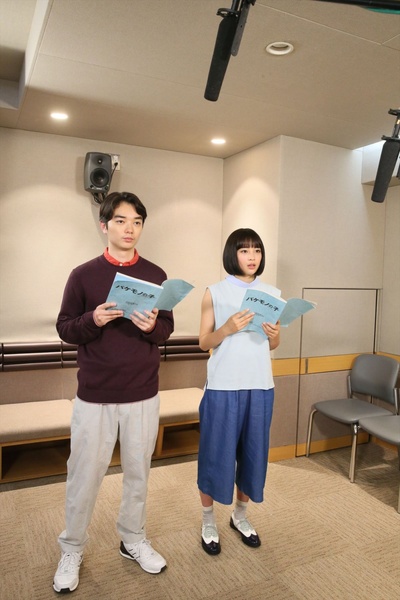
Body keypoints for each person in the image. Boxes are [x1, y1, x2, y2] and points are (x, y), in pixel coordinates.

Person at [53, 192, 174, 593]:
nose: (130, 229)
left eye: (137, 222)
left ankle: (133, 539)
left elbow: (166, 328)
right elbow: (65, 328)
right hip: (95, 394)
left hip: (143, 392)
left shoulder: (156, 274)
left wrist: (151, 327)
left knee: (138, 473)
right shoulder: (83, 275)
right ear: (104, 226)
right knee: (84, 476)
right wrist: (93, 318)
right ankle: (72, 547)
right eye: (121, 221)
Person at [197, 228, 281, 555]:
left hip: (260, 385)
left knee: (253, 455)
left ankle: (240, 516)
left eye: (257, 250)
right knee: (214, 455)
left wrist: (274, 335)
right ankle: (208, 521)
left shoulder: (271, 293)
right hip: (223, 385)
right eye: (245, 250)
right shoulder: (214, 292)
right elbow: (204, 342)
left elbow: (272, 344)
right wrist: (227, 329)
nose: (252, 257)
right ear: (232, 254)